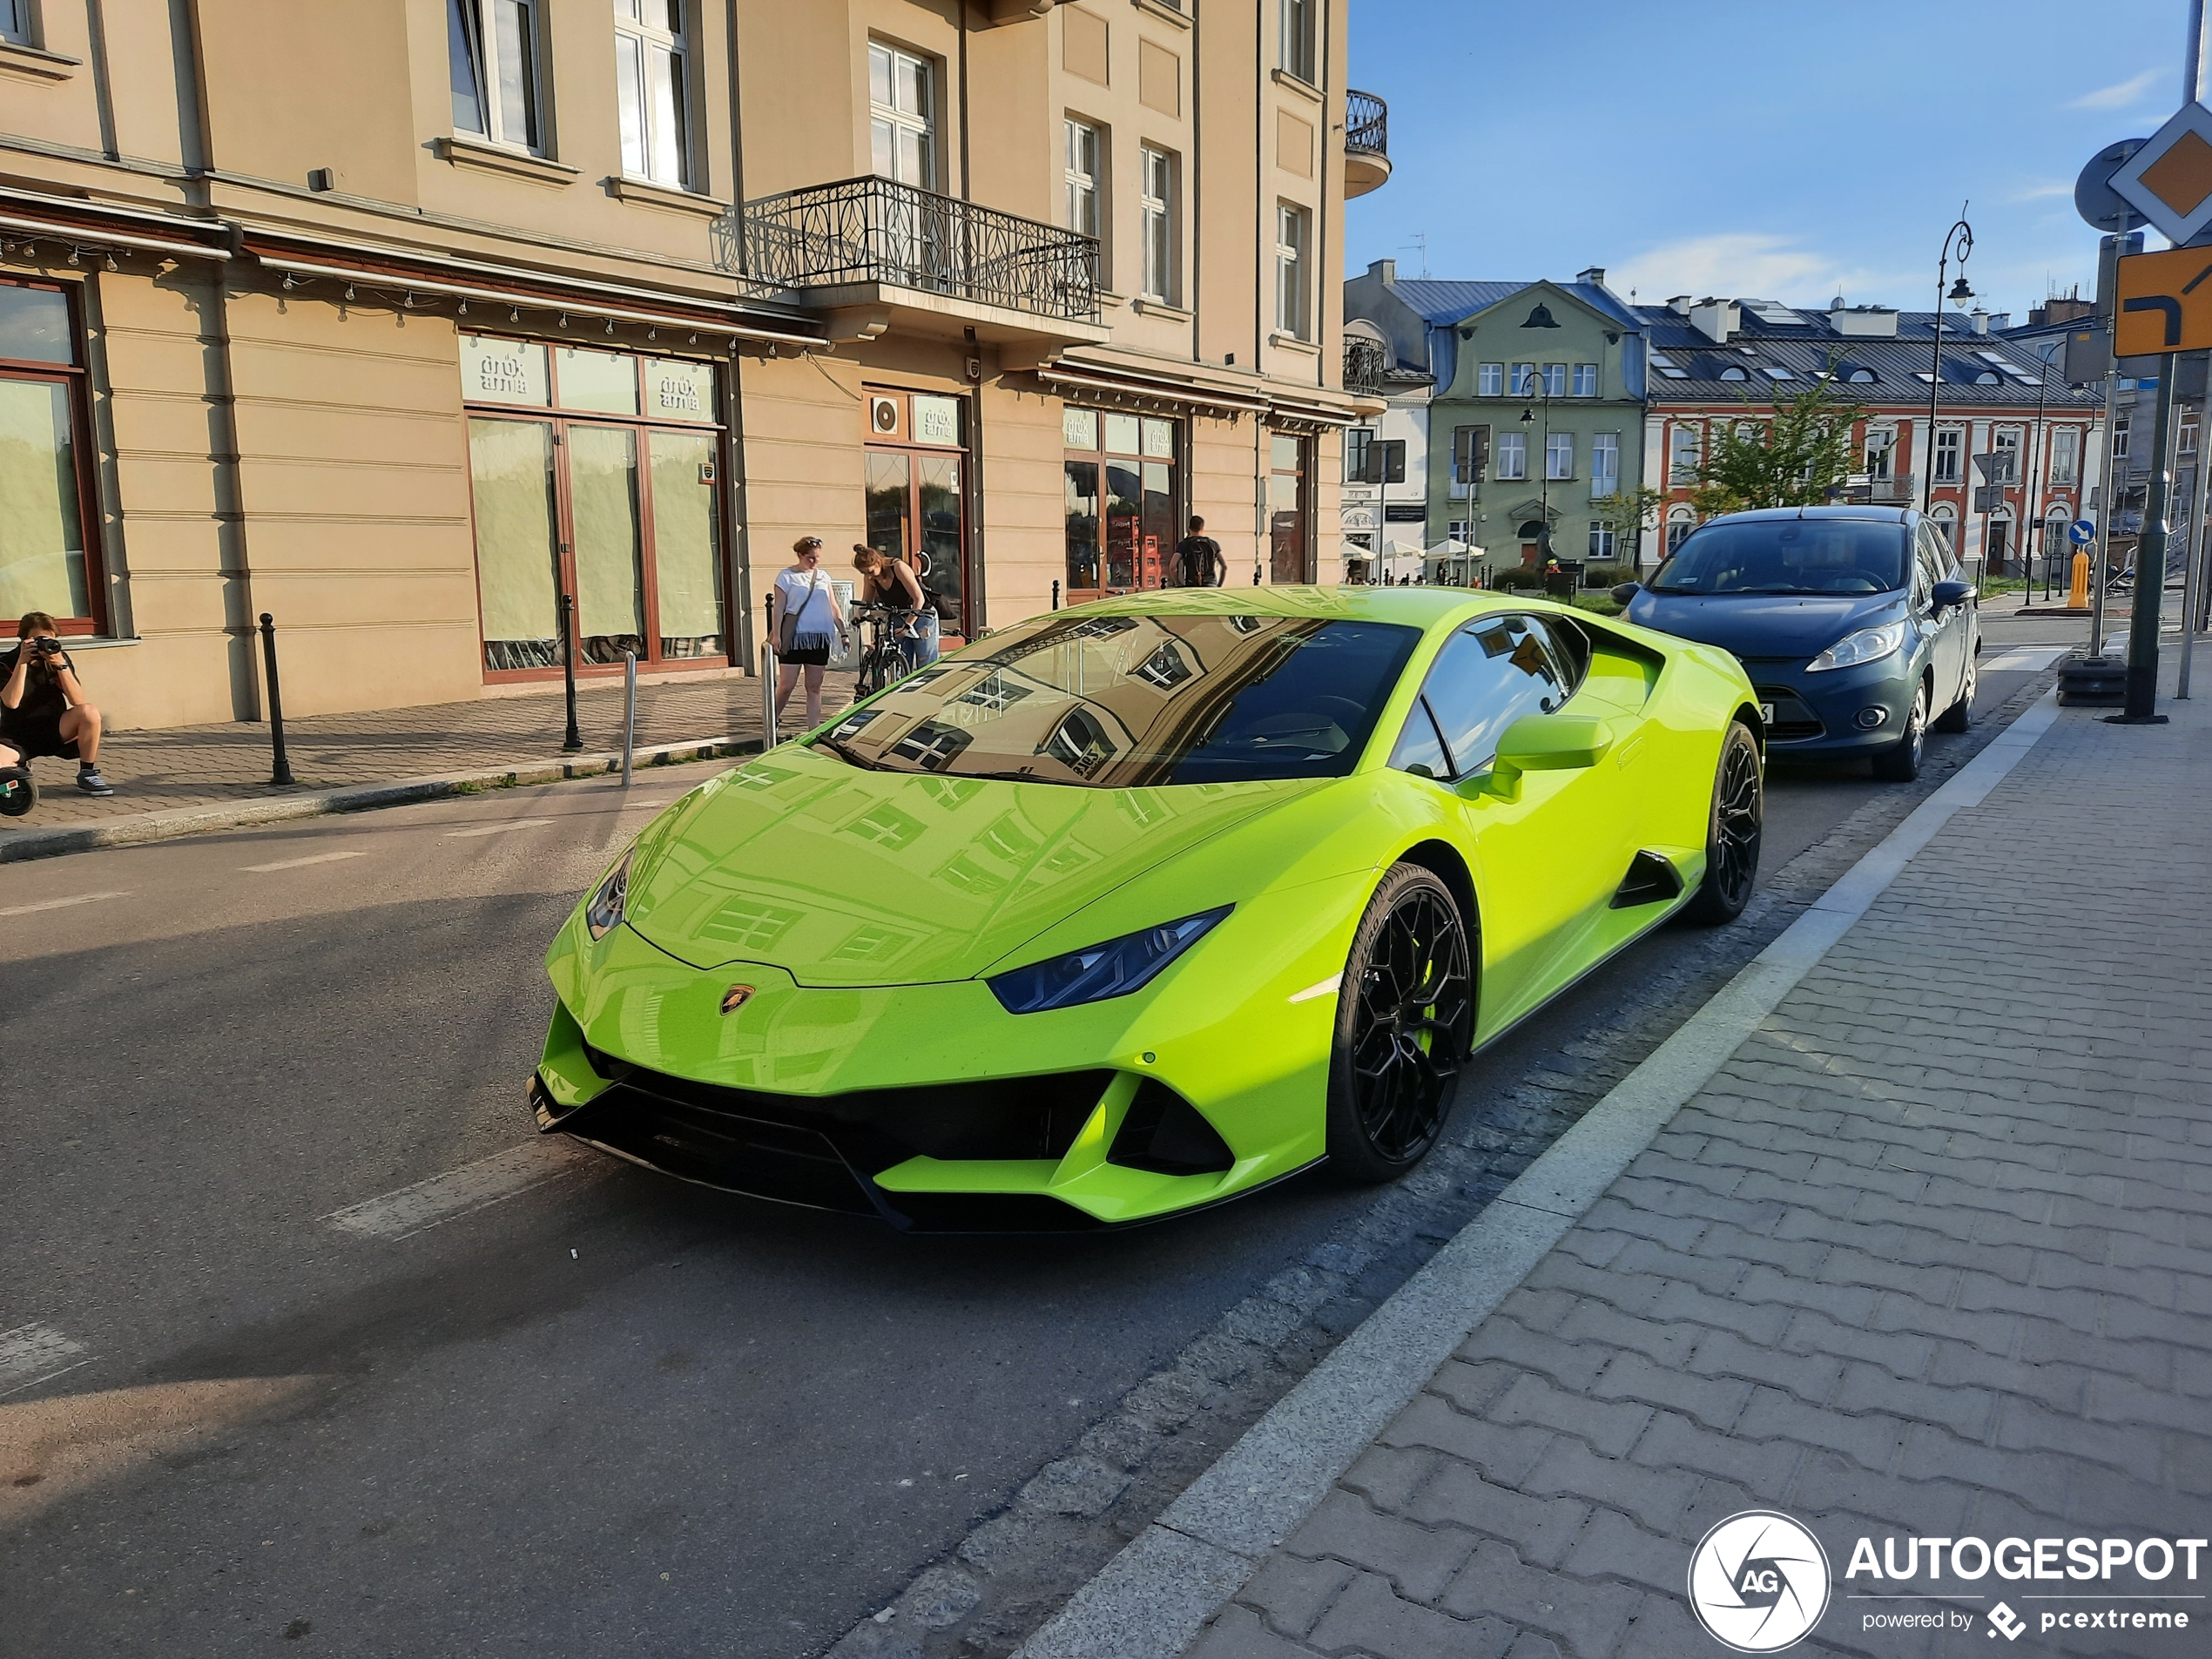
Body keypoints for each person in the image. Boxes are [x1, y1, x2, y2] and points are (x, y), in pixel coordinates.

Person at [2, 612, 111, 796]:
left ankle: (87, 772)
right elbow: (11, 702)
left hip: (54, 728)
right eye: (39, 639)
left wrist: (61, 665)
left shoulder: (57, 659)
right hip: (15, 736)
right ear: (25, 639)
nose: (44, 645)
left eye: (49, 639)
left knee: (89, 711)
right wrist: (22, 663)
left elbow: (78, 701)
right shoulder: (5, 663)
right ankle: (19, 769)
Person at [769, 536, 847, 730]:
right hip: (795, 636)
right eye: (811, 557)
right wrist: (777, 634)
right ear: (800, 555)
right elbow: (778, 607)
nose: (815, 561)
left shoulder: (823, 576)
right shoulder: (786, 576)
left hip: (820, 636)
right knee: (787, 685)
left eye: (818, 557)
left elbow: (833, 606)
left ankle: (813, 729)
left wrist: (843, 632)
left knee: (814, 687)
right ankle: (772, 719)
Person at [852, 544, 939, 675]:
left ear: (878, 562)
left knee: (925, 663)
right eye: (864, 573)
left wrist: (908, 625)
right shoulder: (871, 579)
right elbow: (867, 603)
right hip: (898, 616)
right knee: (900, 665)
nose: (868, 576)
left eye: (869, 571)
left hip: (921, 615)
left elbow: (919, 599)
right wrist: (858, 615)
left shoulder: (898, 567)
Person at [1173, 516, 1225, 588]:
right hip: (1210, 584)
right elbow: (1225, 566)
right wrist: (1219, 586)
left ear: (1189, 528)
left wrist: (1177, 583)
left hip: (1191, 585)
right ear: (1203, 528)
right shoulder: (1213, 544)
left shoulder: (1184, 544)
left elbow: (1172, 566)